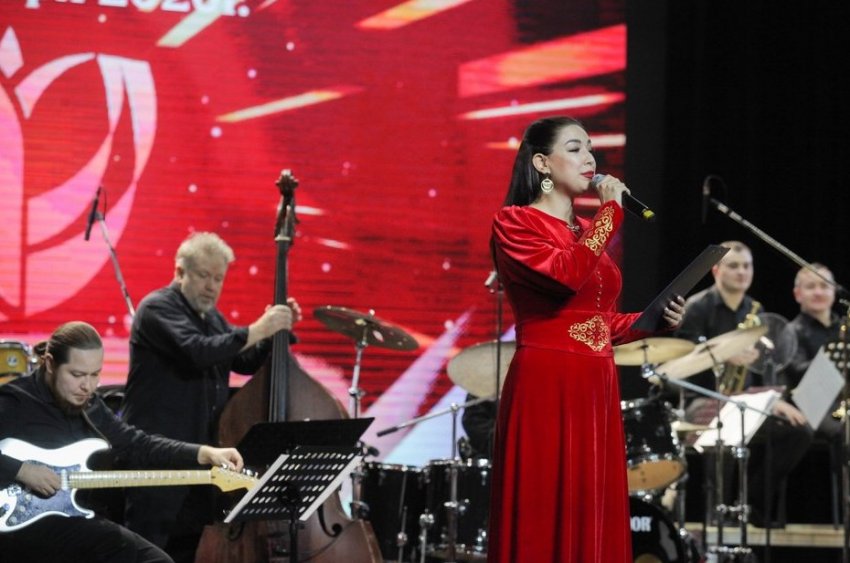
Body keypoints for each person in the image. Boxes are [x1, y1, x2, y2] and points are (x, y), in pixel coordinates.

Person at [486, 116, 684, 562]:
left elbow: (596, 323)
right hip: (548, 380)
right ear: (542, 163)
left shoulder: (583, 230)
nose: (589, 158)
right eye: (575, 148)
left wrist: (653, 320)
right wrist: (610, 212)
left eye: (590, 148)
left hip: (596, 383)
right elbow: (566, 276)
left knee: (590, 509)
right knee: (544, 506)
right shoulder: (515, 222)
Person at [121, 232, 300, 562]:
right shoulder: (157, 308)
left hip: (202, 457)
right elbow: (199, 352)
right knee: (147, 549)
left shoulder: (213, 319)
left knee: (188, 549)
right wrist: (259, 328)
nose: (211, 286)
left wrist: (274, 334)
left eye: (218, 278)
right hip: (159, 457)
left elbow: (241, 361)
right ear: (180, 272)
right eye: (204, 275)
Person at [0, 321, 244, 563]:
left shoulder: (90, 404)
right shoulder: (15, 400)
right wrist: (21, 470)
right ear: (50, 364)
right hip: (17, 529)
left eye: (95, 374)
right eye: (77, 375)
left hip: (76, 518)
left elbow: (137, 444)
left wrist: (204, 453)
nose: (87, 386)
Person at [675, 241, 812, 527]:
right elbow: (683, 361)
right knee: (725, 428)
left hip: (745, 400)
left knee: (797, 430)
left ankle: (752, 505)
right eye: (734, 266)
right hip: (702, 399)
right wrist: (724, 354)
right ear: (716, 270)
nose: (742, 272)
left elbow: (766, 366)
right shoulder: (696, 308)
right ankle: (718, 513)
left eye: (747, 266)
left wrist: (774, 401)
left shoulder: (755, 310)